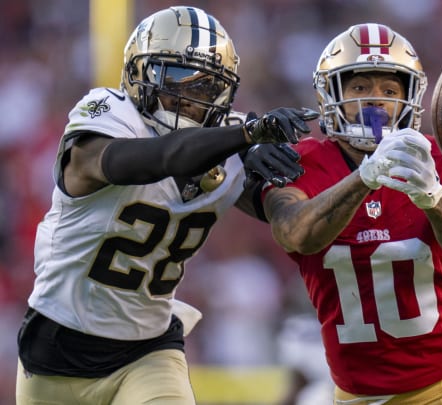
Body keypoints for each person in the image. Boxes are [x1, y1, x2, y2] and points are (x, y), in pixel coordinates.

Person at [16, 6, 317, 405]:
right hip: (58, 346)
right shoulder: (108, 116)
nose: (190, 99)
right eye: (176, 77)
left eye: (206, 87)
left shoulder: (231, 143)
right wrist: (245, 135)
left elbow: (289, 220)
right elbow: (159, 158)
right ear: (139, 73)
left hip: (149, 348)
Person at [261, 23, 442, 404]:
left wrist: (432, 197)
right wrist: (365, 178)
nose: (375, 101)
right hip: (356, 395)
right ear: (332, 94)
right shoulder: (298, 162)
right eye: (360, 87)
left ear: (410, 98)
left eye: (389, 90)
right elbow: (295, 234)